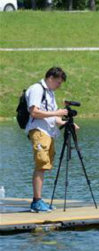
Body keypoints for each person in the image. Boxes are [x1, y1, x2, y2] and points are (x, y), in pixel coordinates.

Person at [25, 67, 70, 213]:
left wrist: (66, 122)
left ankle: (39, 200)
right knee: (41, 164)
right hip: (39, 131)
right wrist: (57, 112)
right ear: (50, 78)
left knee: (45, 165)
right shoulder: (37, 89)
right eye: (58, 82)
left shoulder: (50, 93)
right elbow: (34, 111)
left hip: (48, 132)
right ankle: (36, 202)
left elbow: (53, 116)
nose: (59, 86)